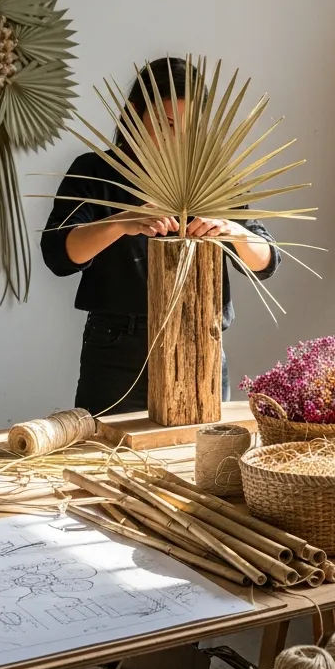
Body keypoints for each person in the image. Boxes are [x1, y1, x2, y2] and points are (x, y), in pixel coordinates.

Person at [41, 57, 280, 415]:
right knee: (108, 461)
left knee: (201, 464)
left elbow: (266, 263)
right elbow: (58, 255)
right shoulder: (93, 171)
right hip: (117, 348)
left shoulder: (214, 179)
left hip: (202, 342)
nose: (176, 137)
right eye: (166, 123)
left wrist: (233, 230)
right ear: (136, 111)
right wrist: (121, 222)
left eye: (188, 127)